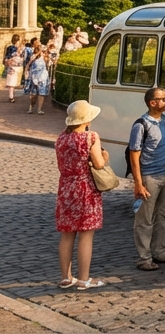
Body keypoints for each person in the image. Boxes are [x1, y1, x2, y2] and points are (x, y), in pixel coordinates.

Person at [56, 100, 108, 289]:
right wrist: (104, 156)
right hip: (85, 187)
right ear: (86, 119)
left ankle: (66, 277)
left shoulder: (61, 138)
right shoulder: (90, 137)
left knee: (67, 234)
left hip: (66, 187)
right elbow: (99, 163)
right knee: (86, 234)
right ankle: (84, 278)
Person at [130, 87, 165, 272]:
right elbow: (134, 155)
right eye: (163, 98)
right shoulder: (141, 124)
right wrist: (138, 182)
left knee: (162, 216)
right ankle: (144, 257)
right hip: (149, 176)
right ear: (152, 103)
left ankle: (160, 252)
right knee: (145, 219)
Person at [24, 37, 51, 115]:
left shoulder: (44, 53)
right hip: (34, 76)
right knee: (34, 94)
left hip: (43, 75)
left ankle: (39, 109)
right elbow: (28, 63)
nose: (39, 43)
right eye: (37, 41)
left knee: (41, 93)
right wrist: (26, 72)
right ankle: (31, 107)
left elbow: (47, 60)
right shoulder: (31, 52)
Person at [4, 34, 22, 103]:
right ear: (17, 40)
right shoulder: (13, 48)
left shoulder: (11, 47)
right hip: (13, 66)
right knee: (12, 82)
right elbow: (9, 57)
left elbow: (6, 57)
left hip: (13, 66)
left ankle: (11, 95)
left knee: (12, 82)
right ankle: (11, 96)